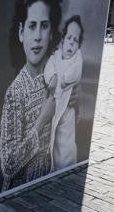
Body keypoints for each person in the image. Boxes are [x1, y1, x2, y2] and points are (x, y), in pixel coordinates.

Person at [0, 0, 63, 191]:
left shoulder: (55, 78)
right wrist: (42, 121)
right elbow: (8, 165)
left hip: (49, 185)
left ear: (52, 32)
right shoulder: (15, 92)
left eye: (44, 26)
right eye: (31, 26)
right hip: (20, 194)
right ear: (21, 32)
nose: (37, 37)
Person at [44, 15, 83, 171]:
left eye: (76, 40)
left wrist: (66, 78)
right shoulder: (56, 56)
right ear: (62, 41)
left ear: (78, 45)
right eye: (69, 38)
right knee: (53, 139)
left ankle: (65, 164)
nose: (71, 42)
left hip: (66, 108)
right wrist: (52, 77)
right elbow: (49, 67)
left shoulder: (77, 58)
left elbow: (75, 72)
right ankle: (52, 165)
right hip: (54, 102)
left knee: (65, 140)